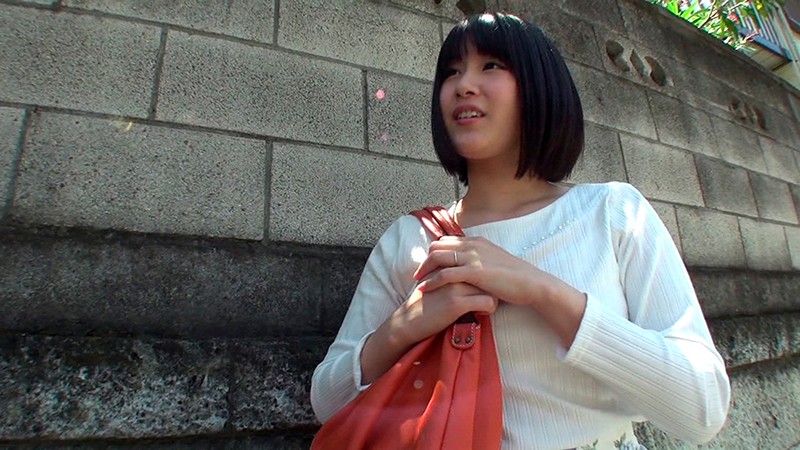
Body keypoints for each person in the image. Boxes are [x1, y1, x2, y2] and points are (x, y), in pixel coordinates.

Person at [310, 12, 730, 450]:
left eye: (491, 65)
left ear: (539, 85)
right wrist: (404, 327)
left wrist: (544, 292)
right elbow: (326, 402)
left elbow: (703, 409)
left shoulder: (613, 212)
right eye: (452, 72)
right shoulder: (411, 238)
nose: (464, 85)